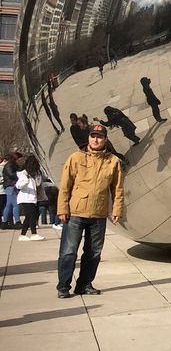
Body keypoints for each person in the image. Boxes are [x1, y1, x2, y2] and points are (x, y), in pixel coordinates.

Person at [56, 123, 125, 298]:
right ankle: (63, 286)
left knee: (94, 253)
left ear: (105, 140)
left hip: (98, 214)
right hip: (75, 213)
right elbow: (65, 186)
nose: (95, 140)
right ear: (88, 138)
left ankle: (84, 284)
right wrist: (62, 208)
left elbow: (117, 189)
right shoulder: (75, 158)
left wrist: (117, 209)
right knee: (68, 251)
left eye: (99, 137)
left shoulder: (113, 161)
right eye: (93, 136)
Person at [15, 156, 46, 241]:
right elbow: (18, 185)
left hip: (31, 198)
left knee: (29, 217)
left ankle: (22, 235)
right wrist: (24, 182)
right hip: (26, 198)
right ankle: (34, 234)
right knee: (32, 216)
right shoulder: (24, 174)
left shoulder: (33, 174)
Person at [1, 153, 20, 228]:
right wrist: (20, 174)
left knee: (8, 205)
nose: (20, 160)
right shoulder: (9, 165)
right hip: (11, 185)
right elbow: (11, 174)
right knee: (15, 204)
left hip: (10, 185)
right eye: (19, 158)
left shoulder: (11, 165)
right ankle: (17, 221)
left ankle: (4, 222)